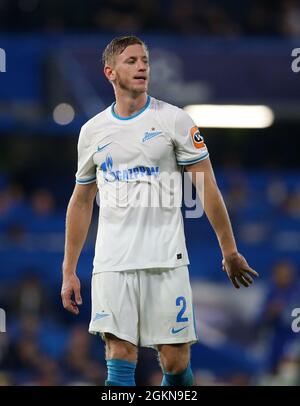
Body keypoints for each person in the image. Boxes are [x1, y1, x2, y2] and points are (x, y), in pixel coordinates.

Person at [61, 35, 259, 387]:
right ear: (110, 72)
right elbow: (80, 200)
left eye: (145, 61)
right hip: (112, 262)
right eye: (131, 61)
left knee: (174, 359)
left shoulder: (175, 121)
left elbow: (207, 188)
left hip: (166, 260)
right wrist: (69, 269)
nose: (141, 67)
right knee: (119, 354)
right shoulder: (92, 132)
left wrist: (229, 250)